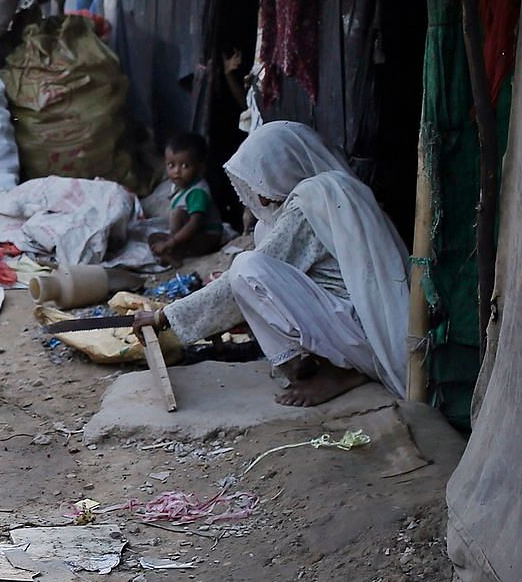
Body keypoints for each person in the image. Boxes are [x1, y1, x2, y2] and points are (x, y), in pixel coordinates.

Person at [131, 121, 411, 406]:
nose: (262, 197)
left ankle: (340, 371)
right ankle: (306, 363)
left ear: (284, 169)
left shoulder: (308, 205)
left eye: (263, 182)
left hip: (364, 339)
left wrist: (165, 316)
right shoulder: (326, 192)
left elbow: (243, 280)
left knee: (247, 267)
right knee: (259, 243)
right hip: (354, 327)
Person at [151, 132, 226, 262]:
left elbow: (195, 223)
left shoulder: (198, 192)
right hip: (192, 237)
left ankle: (176, 255)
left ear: (200, 167)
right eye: (171, 165)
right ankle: (172, 252)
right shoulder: (182, 188)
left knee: (177, 214)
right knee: (153, 238)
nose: (176, 171)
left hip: (206, 239)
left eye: (185, 166)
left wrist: (171, 242)